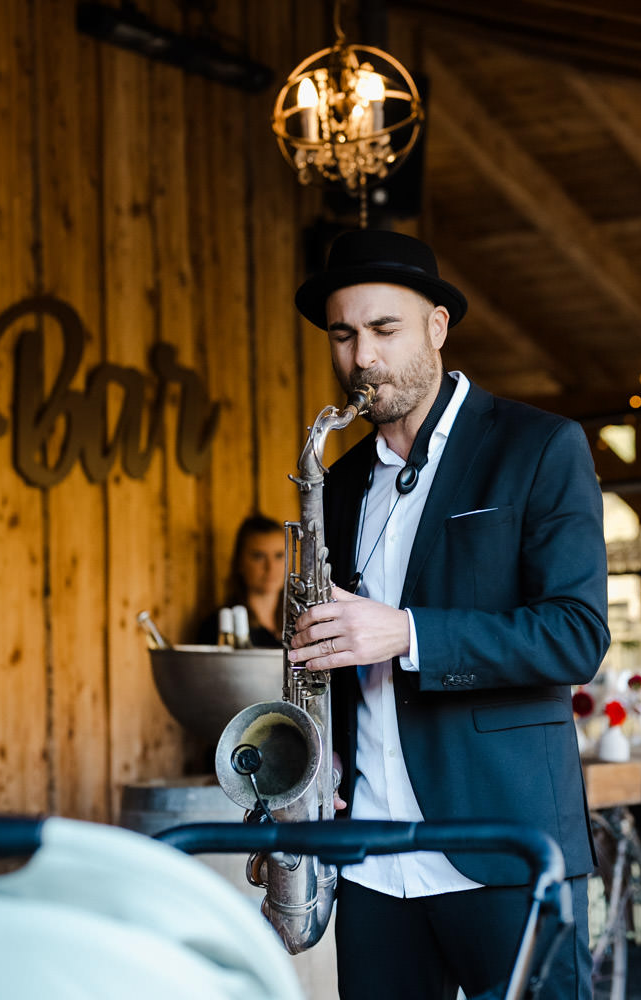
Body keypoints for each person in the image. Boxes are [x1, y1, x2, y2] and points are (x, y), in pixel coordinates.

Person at [286, 229, 609, 1000]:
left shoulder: (538, 447)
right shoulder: (340, 478)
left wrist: (407, 633)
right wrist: (318, 754)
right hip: (368, 855)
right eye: (344, 335)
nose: (362, 358)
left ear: (437, 327)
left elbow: (576, 635)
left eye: (384, 330)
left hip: (503, 844)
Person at [197, 514, 287, 649]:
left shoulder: (299, 622)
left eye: (279, 556)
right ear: (240, 562)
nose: (270, 567)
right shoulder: (219, 627)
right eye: (258, 556)